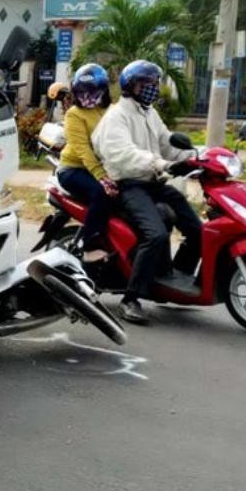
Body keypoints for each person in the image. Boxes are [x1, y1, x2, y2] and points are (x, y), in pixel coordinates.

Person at [92, 59, 200, 324]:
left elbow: (166, 142)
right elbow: (124, 155)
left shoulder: (149, 112)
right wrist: (161, 164)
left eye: (155, 83)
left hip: (153, 182)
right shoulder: (117, 116)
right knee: (156, 235)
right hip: (130, 185)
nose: (153, 88)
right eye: (147, 83)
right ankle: (131, 298)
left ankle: (173, 281)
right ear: (131, 85)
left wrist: (197, 155)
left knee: (197, 228)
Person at [57, 64, 115, 256]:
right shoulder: (74, 114)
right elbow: (83, 149)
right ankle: (89, 243)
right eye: (82, 92)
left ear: (103, 90)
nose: (87, 96)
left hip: (106, 168)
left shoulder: (112, 111)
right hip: (73, 169)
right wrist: (102, 177)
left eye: (92, 91)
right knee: (102, 193)